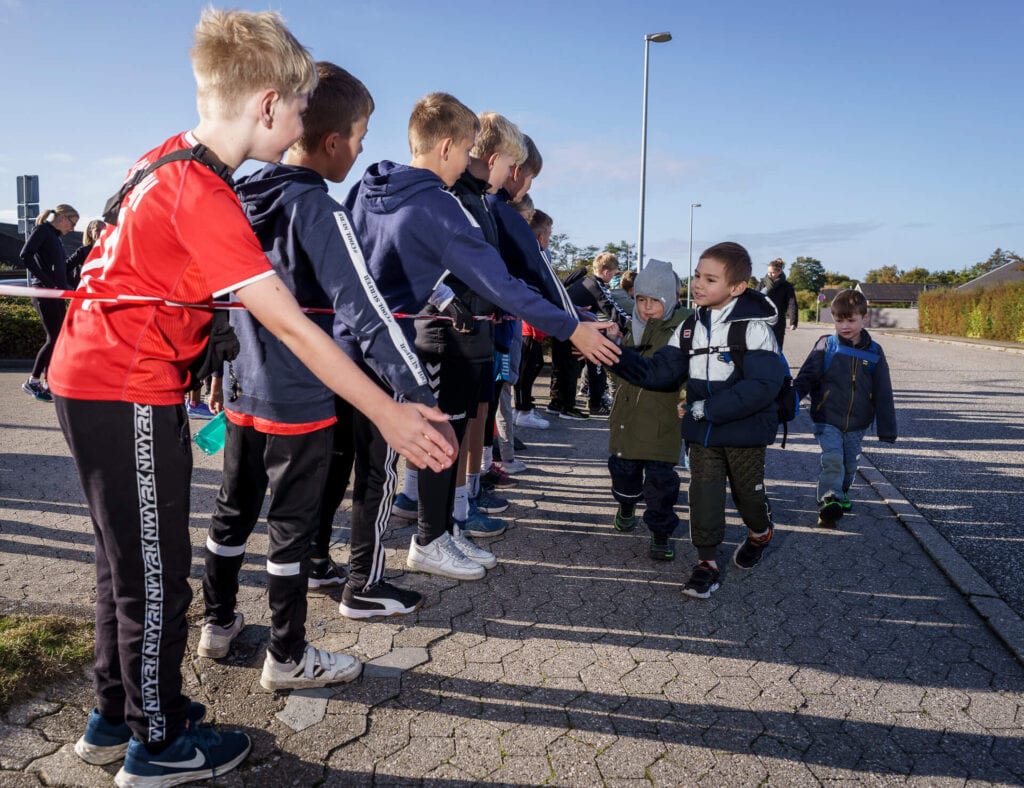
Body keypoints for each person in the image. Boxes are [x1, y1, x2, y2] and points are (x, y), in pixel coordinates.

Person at [46, 11, 454, 785]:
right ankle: (155, 745)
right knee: (157, 576)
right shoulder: (202, 192)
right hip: (123, 386)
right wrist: (389, 409)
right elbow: (298, 331)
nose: (305, 124)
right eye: (300, 108)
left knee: (122, 566)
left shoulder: (166, 157)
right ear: (268, 105)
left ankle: (117, 712)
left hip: (94, 380)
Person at [199, 60, 457, 688]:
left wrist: (213, 362)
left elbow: (213, 292)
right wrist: (416, 393)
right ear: (335, 141)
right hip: (299, 398)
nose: (365, 149)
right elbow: (366, 312)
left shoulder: (242, 193)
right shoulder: (319, 208)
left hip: (242, 388)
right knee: (289, 531)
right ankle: (287, 658)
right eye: (363, 135)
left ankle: (217, 621)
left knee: (232, 512)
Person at [345, 92, 619, 583]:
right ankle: (381, 569)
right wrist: (570, 326)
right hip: (401, 344)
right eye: (471, 147)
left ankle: (423, 538)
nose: (477, 159)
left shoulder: (370, 183)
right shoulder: (440, 205)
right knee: (387, 463)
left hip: (358, 340)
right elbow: (501, 283)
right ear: (449, 146)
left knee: (417, 443)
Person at [612, 242, 784, 600]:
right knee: (704, 495)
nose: (699, 285)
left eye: (710, 279)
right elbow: (659, 372)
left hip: (744, 432)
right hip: (702, 432)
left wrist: (708, 409)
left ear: (737, 287)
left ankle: (760, 532)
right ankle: (707, 563)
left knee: (747, 498)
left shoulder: (753, 328)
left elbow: (764, 386)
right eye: (696, 276)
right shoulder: (690, 327)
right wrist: (611, 354)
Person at [607, 260, 690, 561]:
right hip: (628, 421)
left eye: (655, 301)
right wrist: (613, 347)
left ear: (672, 300)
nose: (647, 307)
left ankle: (660, 533)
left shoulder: (684, 331)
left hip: (662, 424)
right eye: (641, 299)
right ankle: (627, 504)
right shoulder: (633, 328)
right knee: (623, 473)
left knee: (661, 487)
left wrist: (686, 396)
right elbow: (619, 374)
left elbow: (691, 373)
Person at [794, 289, 897, 526]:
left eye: (851, 320)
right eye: (839, 320)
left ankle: (842, 492)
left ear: (865, 318)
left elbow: (883, 391)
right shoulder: (826, 345)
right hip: (827, 417)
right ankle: (830, 498)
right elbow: (805, 378)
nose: (845, 326)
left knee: (850, 464)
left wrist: (887, 429)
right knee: (832, 458)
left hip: (858, 422)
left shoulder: (874, 352)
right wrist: (789, 402)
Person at [19, 204, 78, 402]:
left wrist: (71, 287)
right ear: (62, 217)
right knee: (53, 337)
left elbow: (62, 270)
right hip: (45, 292)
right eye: (73, 222)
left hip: (57, 293)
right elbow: (25, 256)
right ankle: (32, 381)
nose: (73, 228)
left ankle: (48, 383)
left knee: (59, 338)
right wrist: (48, 282)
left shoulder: (56, 239)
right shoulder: (42, 230)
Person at [567, 252, 629, 417]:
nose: (614, 275)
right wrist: (631, 326)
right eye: (615, 272)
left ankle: (563, 404)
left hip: (569, 327)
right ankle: (594, 405)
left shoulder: (584, 281)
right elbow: (612, 309)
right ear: (606, 272)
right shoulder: (596, 284)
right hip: (574, 330)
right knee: (597, 362)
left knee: (570, 370)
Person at [513, 209, 555, 430]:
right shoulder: (533, 258)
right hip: (527, 327)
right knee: (526, 369)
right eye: (548, 233)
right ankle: (522, 410)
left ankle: (525, 406)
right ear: (540, 236)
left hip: (535, 327)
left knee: (533, 365)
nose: (549, 238)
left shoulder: (537, 257)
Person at [759, 257, 797, 350]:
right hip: (762, 320)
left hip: (778, 321)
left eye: (772, 272)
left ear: (779, 271)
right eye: (768, 272)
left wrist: (793, 321)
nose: (769, 274)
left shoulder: (787, 286)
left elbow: (792, 303)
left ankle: (776, 363)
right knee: (761, 347)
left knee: (777, 347)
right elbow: (754, 299)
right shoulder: (762, 283)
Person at [65, 219, 104, 289]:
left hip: (104, 291)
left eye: (104, 230)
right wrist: (73, 284)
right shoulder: (83, 251)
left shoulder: (110, 251)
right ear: (90, 232)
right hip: (85, 291)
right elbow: (65, 267)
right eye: (97, 230)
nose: (101, 233)